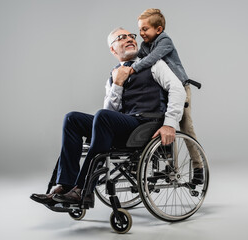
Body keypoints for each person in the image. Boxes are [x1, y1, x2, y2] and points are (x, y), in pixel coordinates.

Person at [30, 27, 186, 205]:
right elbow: (109, 112)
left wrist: (170, 124)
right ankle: (65, 186)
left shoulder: (154, 64)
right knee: (72, 118)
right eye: (121, 37)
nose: (129, 39)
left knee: (103, 116)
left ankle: (83, 190)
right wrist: (118, 83)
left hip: (147, 123)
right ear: (113, 49)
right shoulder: (112, 77)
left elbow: (178, 90)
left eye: (131, 36)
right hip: (125, 124)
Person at [131, 8, 203, 179]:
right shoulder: (144, 45)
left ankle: (198, 167)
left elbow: (151, 59)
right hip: (162, 90)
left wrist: (132, 70)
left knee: (185, 127)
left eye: (145, 29)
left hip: (180, 88)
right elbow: (136, 57)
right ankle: (171, 167)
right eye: (139, 29)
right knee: (164, 127)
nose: (141, 33)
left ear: (158, 29)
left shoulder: (165, 41)